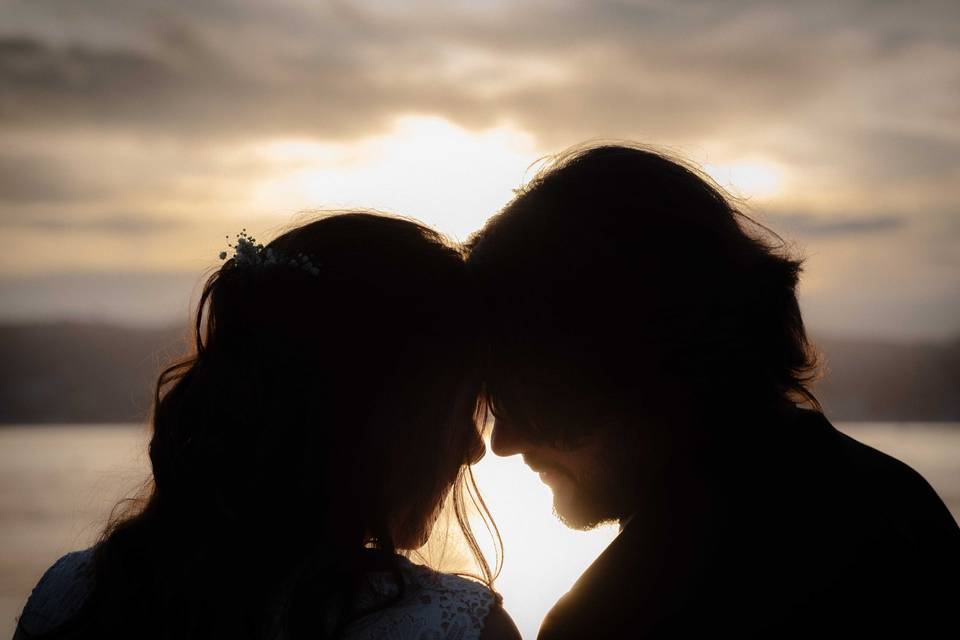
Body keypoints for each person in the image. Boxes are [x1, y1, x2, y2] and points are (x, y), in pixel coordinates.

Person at [466, 144, 960, 638]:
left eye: (525, 400)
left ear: (632, 365)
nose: (502, 443)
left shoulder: (618, 615)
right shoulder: (900, 503)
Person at [16, 213, 521, 640]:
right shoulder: (458, 627)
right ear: (376, 421)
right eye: (453, 411)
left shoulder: (75, 593)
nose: (475, 448)